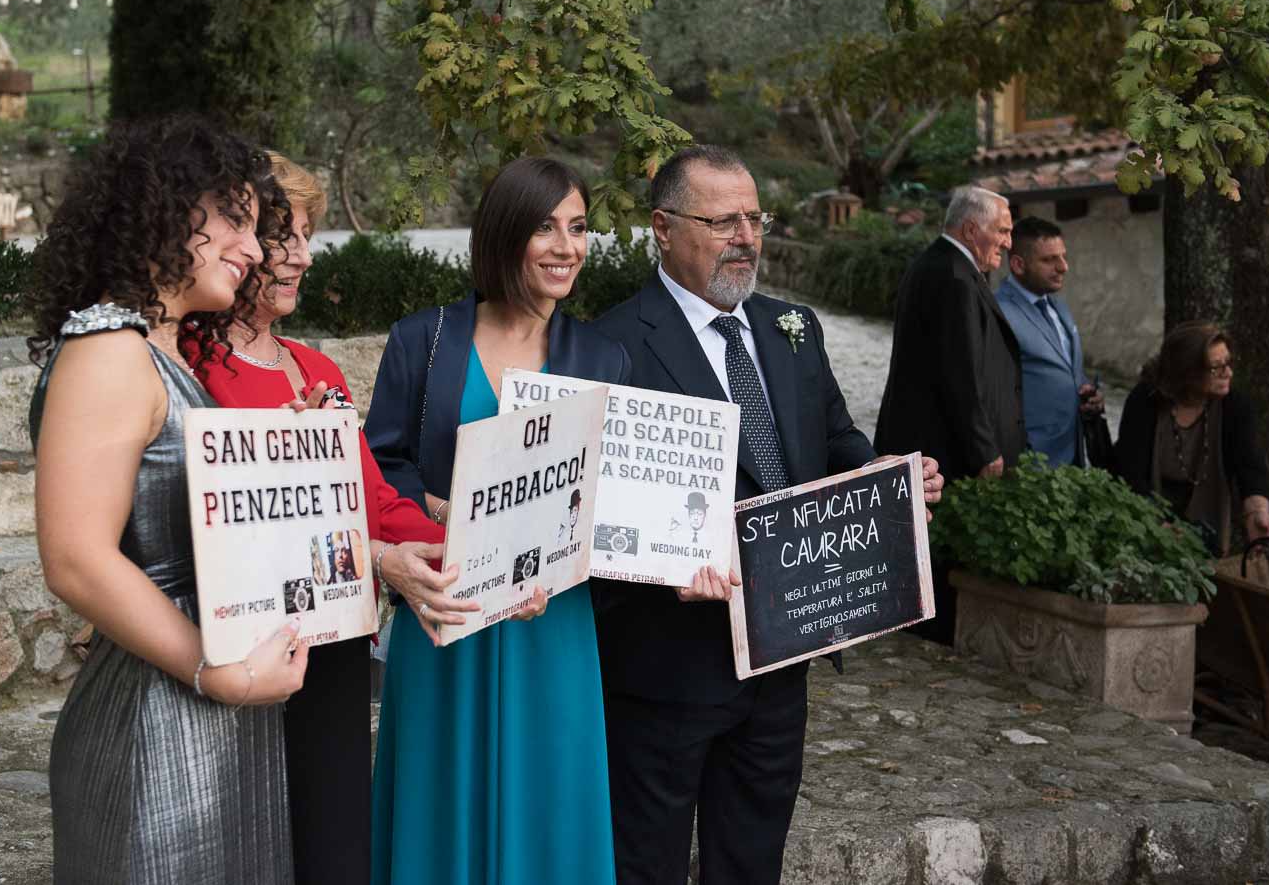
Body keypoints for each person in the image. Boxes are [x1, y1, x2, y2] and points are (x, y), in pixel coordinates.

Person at [593, 145, 942, 885]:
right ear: (662, 227)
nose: (746, 236)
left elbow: (837, 440)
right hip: (666, 663)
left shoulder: (795, 328)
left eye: (755, 216)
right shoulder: (611, 343)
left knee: (753, 861)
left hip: (784, 655)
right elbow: (593, 510)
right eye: (722, 220)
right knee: (644, 866)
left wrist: (879, 475)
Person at [28, 117, 310, 883]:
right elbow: (77, 558)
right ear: (170, 208)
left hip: (210, 698)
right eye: (236, 221)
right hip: (158, 709)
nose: (254, 251)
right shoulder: (109, 349)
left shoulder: (155, 348)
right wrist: (210, 671)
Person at [365, 156, 628, 885]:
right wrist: (446, 518)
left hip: (554, 628)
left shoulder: (603, 357)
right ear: (505, 234)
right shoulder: (424, 341)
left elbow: (618, 494)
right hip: (448, 615)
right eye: (546, 226)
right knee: (438, 805)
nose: (566, 245)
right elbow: (383, 464)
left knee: (550, 808)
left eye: (578, 228)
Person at [187, 153, 446, 885]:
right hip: (249, 650)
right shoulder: (190, 366)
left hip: (333, 651)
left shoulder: (318, 369)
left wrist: (470, 545)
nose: (302, 254)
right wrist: (378, 557)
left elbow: (377, 500)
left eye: (306, 235)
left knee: (333, 842)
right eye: (283, 237)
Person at [874, 184, 1022, 645]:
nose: (1009, 241)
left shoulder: (946, 266)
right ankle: (926, 638)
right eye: (1003, 230)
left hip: (933, 443)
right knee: (931, 559)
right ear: (971, 227)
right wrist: (986, 449)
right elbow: (961, 375)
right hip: (942, 449)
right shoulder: (953, 276)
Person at [1113, 322, 1269, 554]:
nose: (1228, 373)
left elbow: (1250, 465)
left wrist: (1258, 510)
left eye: (1228, 363)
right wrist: (1156, 525)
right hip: (1145, 512)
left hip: (1204, 516)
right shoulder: (1145, 400)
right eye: (1216, 368)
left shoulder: (1235, 406)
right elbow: (1130, 470)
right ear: (1187, 372)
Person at [994, 216, 1103, 467]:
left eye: (1063, 256)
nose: (1063, 267)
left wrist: (1086, 391)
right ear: (1019, 264)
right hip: (1029, 461)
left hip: (1072, 453)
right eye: (1049, 260)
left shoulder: (1057, 306)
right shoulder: (998, 313)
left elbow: (1064, 369)